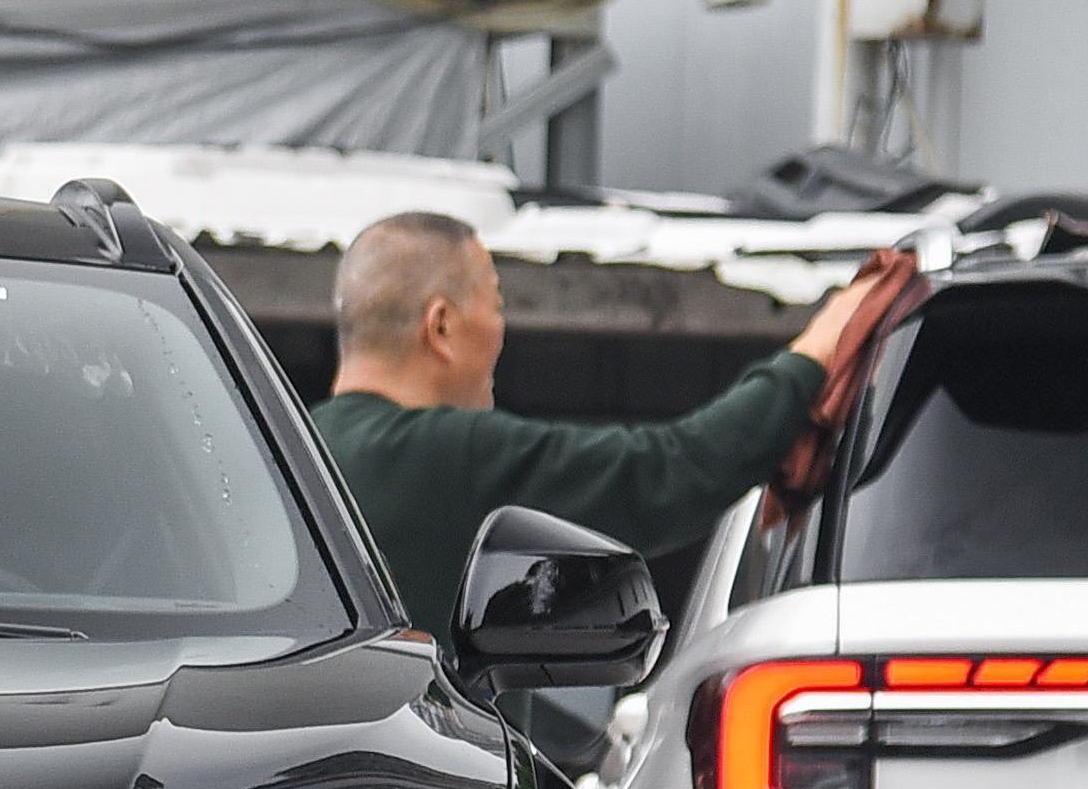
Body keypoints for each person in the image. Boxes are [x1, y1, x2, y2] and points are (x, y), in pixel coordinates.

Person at [309, 211, 893, 627]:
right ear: (441, 327)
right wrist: (818, 349)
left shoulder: (289, 459)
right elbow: (671, 472)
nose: (502, 328)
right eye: (497, 304)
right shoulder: (447, 456)